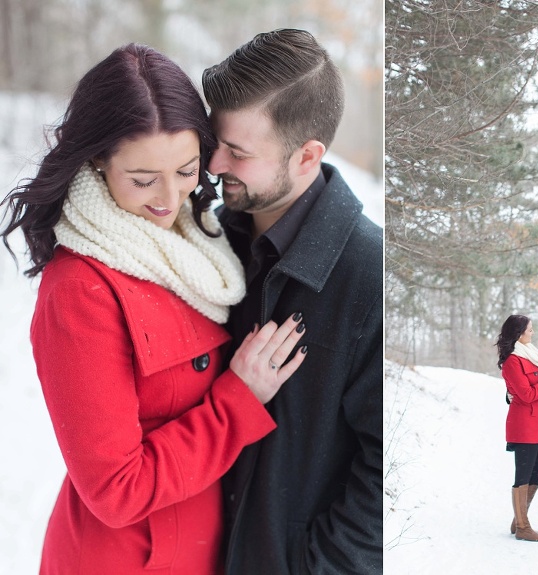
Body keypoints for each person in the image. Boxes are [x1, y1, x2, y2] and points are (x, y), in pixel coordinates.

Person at [0, 44, 308, 574]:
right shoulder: (81, 289)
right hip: (126, 560)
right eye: (143, 180)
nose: (169, 199)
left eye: (187, 171)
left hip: (198, 547)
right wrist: (239, 399)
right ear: (97, 160)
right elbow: (116, 490)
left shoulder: (197, 244)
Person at [201, 29, 383, 574]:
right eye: (216, 141)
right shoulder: (208, 242)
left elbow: (387, 466)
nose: (213, 163)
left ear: (307, 156)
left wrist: (313, 566)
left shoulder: (368, 274)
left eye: (237, 152)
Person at [496, 315, 538, 542]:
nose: (533, 333)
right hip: (524, 425)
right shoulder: (513, 361)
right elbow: (526, 395)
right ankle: (524, 527)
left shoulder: (531, 355)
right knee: (523, 474)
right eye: (530, 329)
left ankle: (519, 520)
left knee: (536, 473)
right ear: (518, 333)